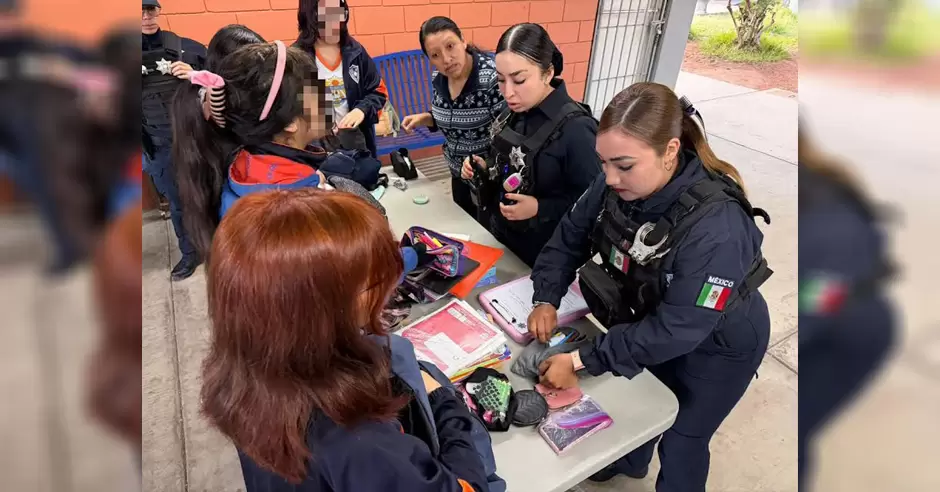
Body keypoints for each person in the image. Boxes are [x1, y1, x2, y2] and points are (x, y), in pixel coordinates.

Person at [527, 83, 773, 490]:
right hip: (653, 314)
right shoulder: (616, 184)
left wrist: (581, 360)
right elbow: (570, 235)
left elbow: (678, 329)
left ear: (670, 150)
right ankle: (630, 460)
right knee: (641, 406)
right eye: (603, 162)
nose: (609, 177)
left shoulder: (718, 230)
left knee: (682, 439)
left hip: (718, 342)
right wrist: (546, 297)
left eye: (624, 165)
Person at [201, 188, 500, 492]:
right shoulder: (361, 445)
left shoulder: (243, 373)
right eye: (376, 280)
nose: (388, 288)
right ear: (322, 311)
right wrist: (444, 401)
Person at [172, 41, 426, 275]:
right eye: (317, 89)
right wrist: (412, 256)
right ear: (290, 123)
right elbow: (368, 276)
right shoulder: (310, 212)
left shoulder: (238, 172)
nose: (328, 95)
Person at [797, 128, 895, 491]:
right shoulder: (815, 188)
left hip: (852, 335)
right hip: (838, 314)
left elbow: (820, 301)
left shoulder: (828, 218)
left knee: (799, 424)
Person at [462, 23, 600, 267]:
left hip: (546, 258)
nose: (508, 92)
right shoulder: (512, 113)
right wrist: (485, 166)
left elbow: (595, 204)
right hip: (502, 239)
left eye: (519, 80)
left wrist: (540, 208)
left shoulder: (577, 129)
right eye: (501, 80)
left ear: (547, 73)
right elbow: (508, 164)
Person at [401, 16, 506, 219]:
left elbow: (509, 133)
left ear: (463, 40)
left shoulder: (492, 78)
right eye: (435, 55)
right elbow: (452, 118)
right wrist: (426, 118)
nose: (446, 59)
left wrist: (485, 163)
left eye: (450, 46)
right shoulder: (439, 80)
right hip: (457, 173)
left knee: (488, 231)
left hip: (489, 179)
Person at [142, 0, 207, 280]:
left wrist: (195, 75)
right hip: (158, 146)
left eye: (150, 9)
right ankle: (190, 253)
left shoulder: (189, 49)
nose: (146, 16)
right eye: (139, 11)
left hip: (195, 141)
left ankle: (219, 245)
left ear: (158, 11)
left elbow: (222, 84)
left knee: (209, 195)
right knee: (178, 204)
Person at [295, 0, 386, 158]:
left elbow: (378, 91)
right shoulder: (297, 59)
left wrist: (361, 110)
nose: (336, 23)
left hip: (357, 144)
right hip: (318, 152)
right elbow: (289, 113)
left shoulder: (355, 51)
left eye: (340, 14)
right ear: (310, 17)